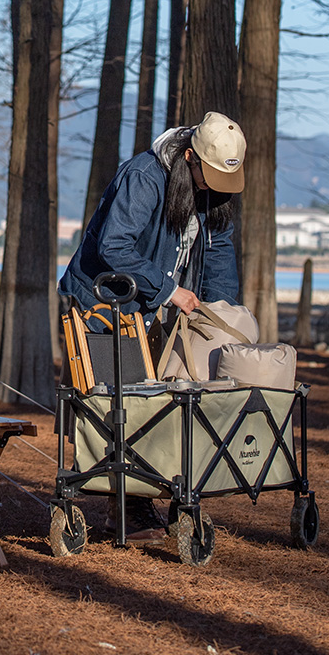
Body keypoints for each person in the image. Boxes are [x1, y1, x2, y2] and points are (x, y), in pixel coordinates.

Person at [58, 111, 247, 542]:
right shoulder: (144, 176)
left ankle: (138, 501)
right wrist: (168, 291)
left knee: (153, 402)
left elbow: (220, 250)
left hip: (146, 307)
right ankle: (128, 508)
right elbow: (113, 245)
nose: (211, 188)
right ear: (188, 157)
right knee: (116, 407)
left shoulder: (208, 186)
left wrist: (223, 312)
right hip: (102, 303)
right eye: (208, 177)